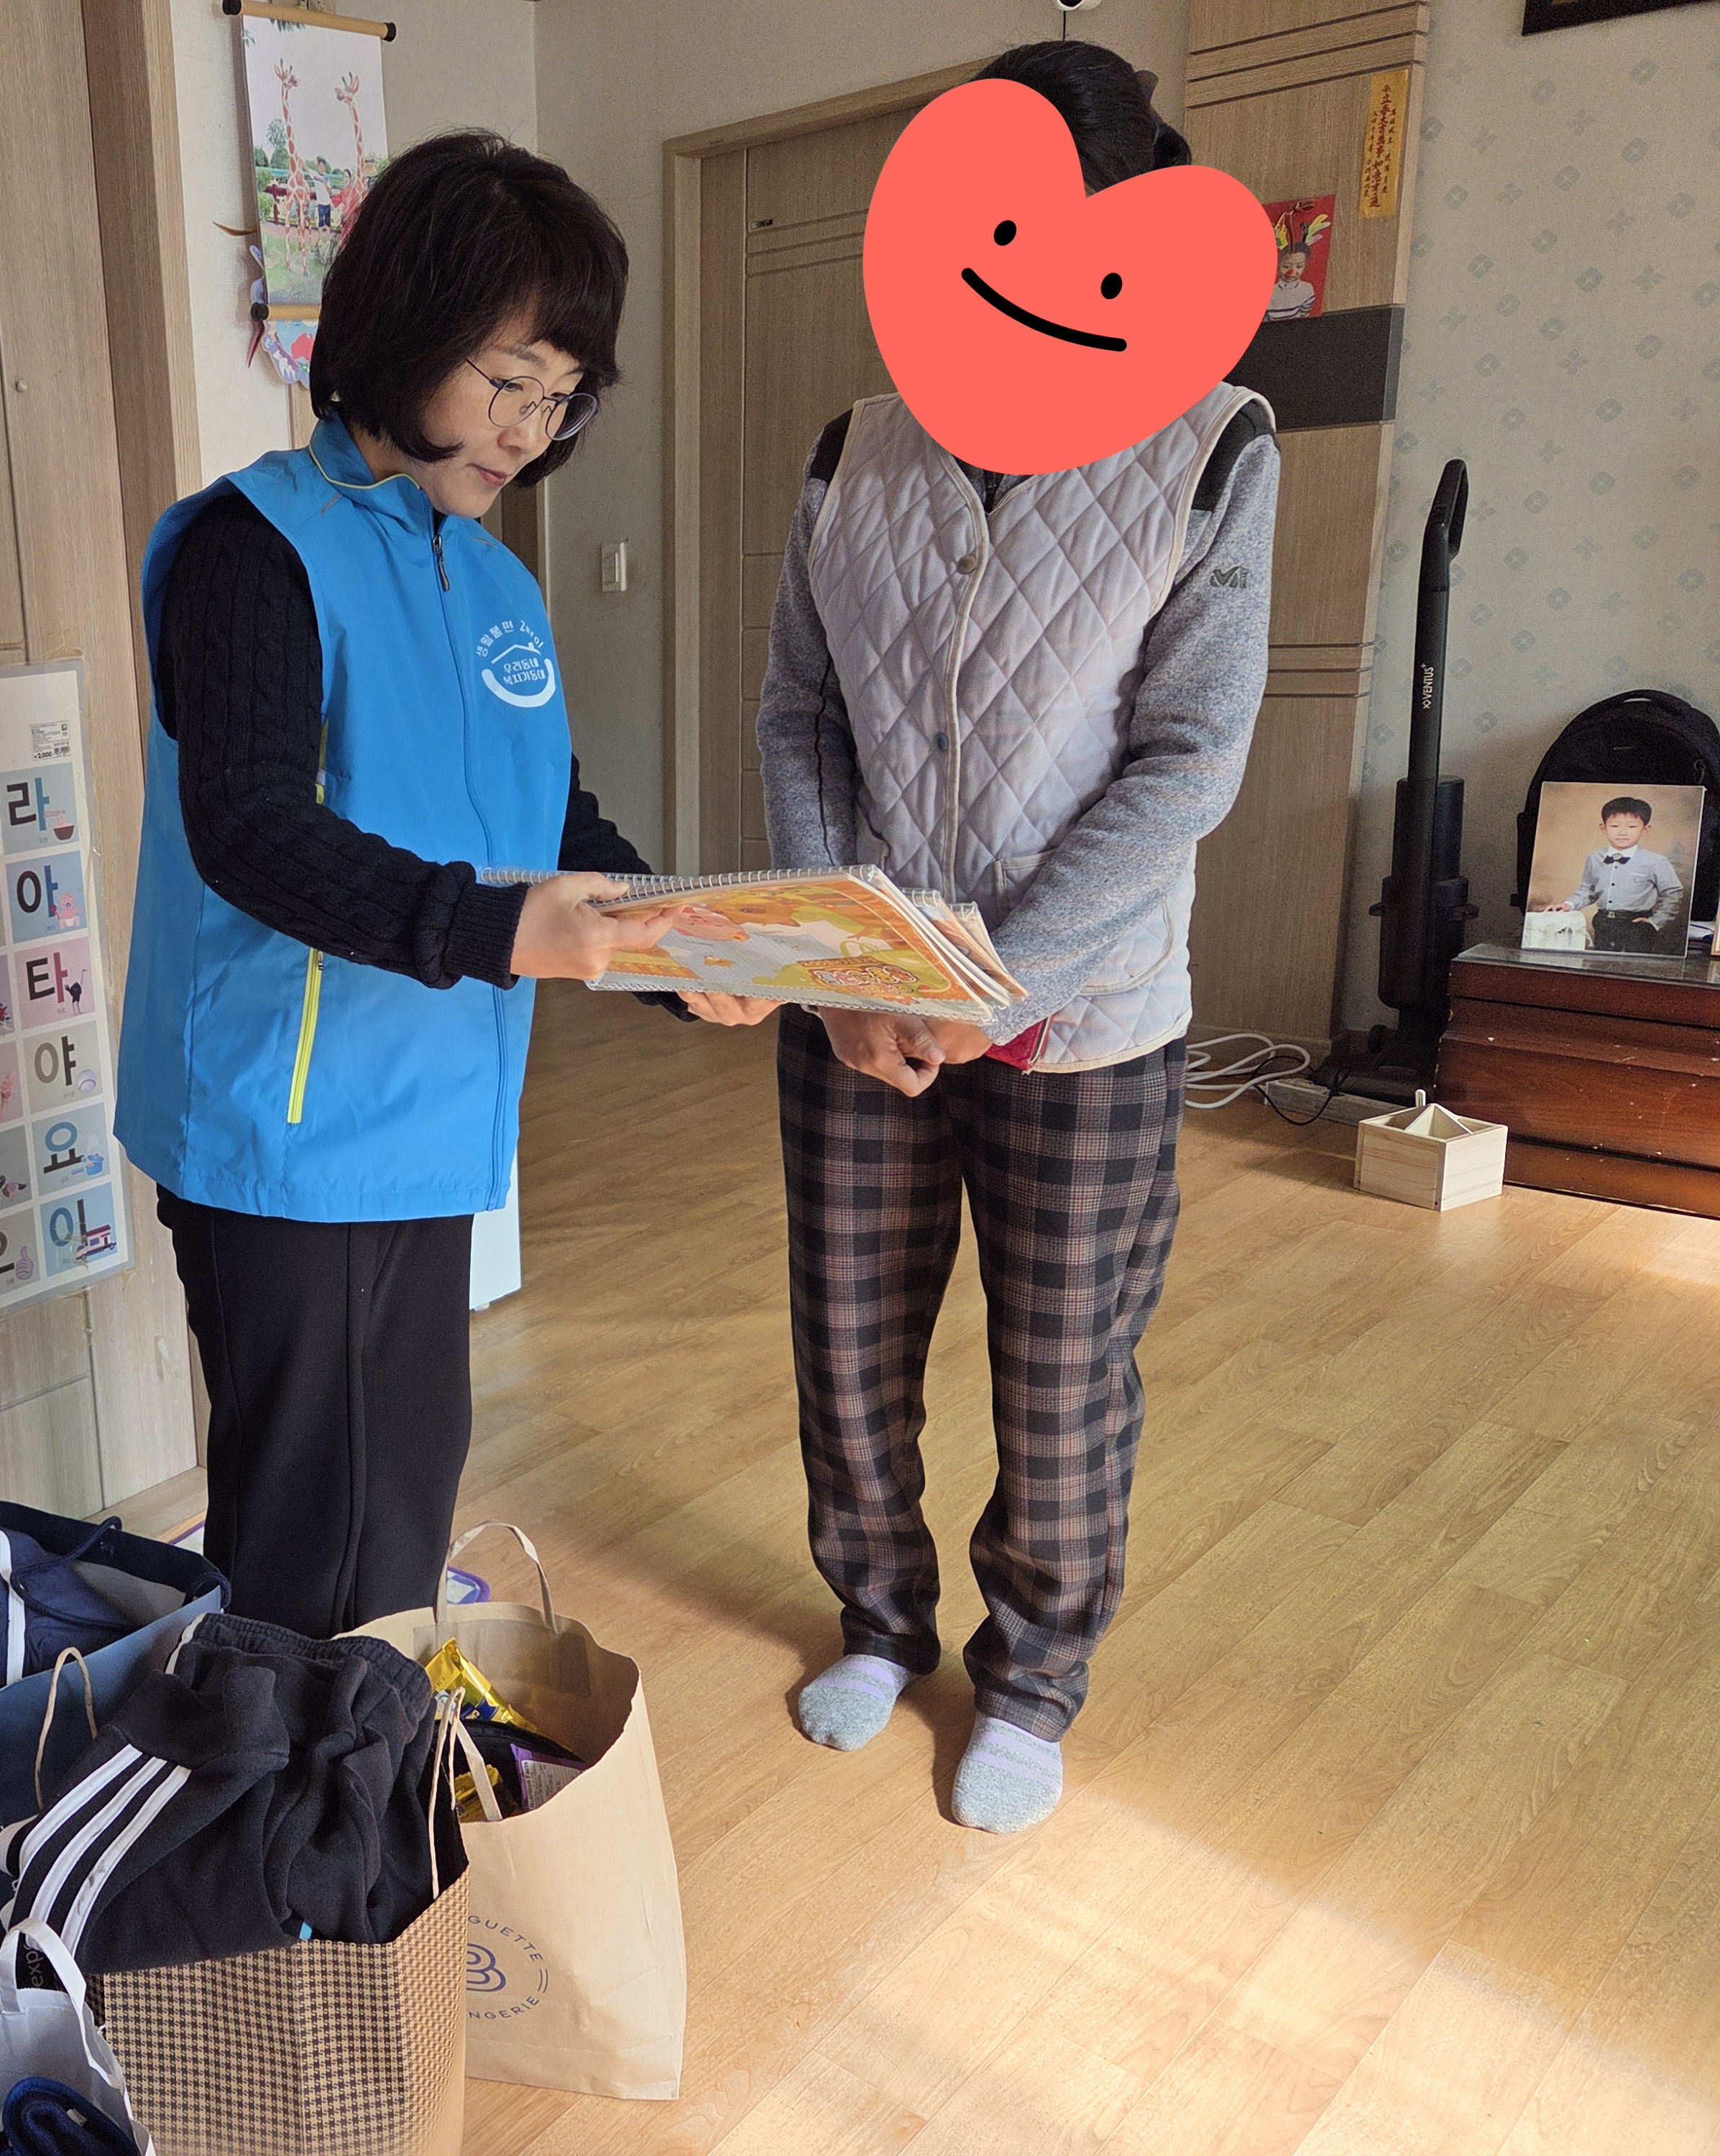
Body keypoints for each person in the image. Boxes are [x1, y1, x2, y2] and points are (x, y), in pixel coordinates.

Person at [116, 131, 772, 1640]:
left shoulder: (490, 576)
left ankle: (338, 1749)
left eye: (562, 398)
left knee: (387, 1503)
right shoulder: (252, 549)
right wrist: (497, 928)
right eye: (507, 382)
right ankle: (305, 1773)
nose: (528, 433)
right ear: (402, 328)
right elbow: (248, 830)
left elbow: (548, 816)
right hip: (291, 1128)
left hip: (424, 1112)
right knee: (323, 1537)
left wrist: (668, 950)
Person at [755, 42, 1279, 1832]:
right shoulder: (850, 449)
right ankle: (876, 1622)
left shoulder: (1212, 446)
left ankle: (1034, 1674)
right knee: (847, 1349)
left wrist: (1003, 984)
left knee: (1058, 1379)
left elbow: (1188, 754)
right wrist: (839, 970)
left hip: (1088, 1016)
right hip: (859, 1009)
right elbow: (798, 716)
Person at [1540, 795, 1686, 954]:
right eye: (1615, 826)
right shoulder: (1595, 858)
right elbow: (1588, 890)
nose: (1623, 832)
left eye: (1632, 827)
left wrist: (1655, 922)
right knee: (1601, 964)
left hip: (1638, 926)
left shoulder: (1656, 862)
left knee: (1632, 966)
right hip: (1603, 923)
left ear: (1645, 830)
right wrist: (1569, 904)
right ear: (1603, 828)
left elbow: (1673, 893)